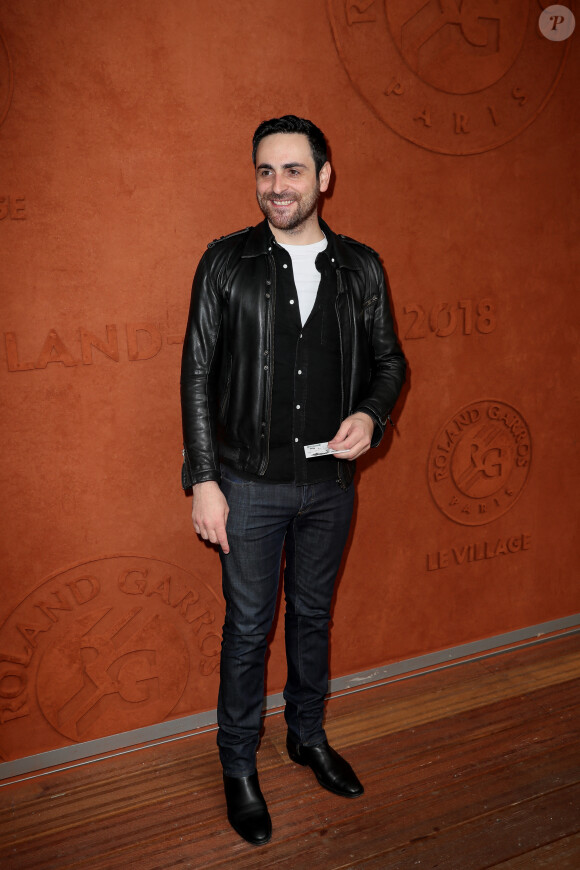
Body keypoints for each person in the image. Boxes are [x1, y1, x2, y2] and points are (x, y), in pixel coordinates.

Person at [180, 115, 406, 846]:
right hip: (245, 486)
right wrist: (204, 480)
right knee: (248, 630)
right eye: (265, 171)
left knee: (313, 618)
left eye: (293, 171)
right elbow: (196, 375)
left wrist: (371, 417)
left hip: (330, 485)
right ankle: (238, 765)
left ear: (324, 177)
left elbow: (390, 364)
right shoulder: (225, 263)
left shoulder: (361, 268)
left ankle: (306, 737)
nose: (277, 186)